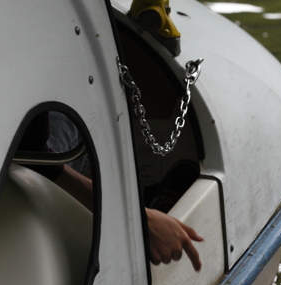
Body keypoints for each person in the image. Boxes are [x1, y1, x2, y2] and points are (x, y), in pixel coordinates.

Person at [19, 111, 204, 271]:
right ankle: (116, 225)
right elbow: (34, 158)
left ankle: (101, 217)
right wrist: (139, 219)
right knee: (88, 116)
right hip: (17, 186)